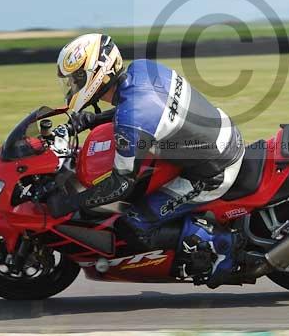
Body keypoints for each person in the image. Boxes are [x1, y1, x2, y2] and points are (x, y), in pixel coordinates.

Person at [47, 33, 245, 282]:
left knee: (133, 223)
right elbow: (143, 107)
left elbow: (120, 184)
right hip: (222, 135)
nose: (72, 86)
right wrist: (91, 120)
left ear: (97, 74)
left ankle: (221, 252)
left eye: (76, 78)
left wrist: (71, 204)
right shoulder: (142, 69)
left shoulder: (132, 121)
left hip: (214, 171)